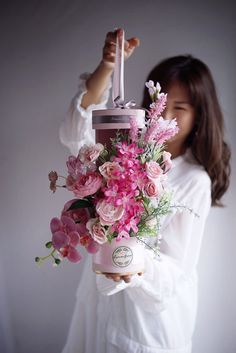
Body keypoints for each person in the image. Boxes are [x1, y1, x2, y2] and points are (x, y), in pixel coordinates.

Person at [59, 29, 231, 353]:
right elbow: (74, 133)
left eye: (179, 109)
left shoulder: (194, 181)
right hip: (100, 302)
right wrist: (108, 66)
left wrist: (128, 262)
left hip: (145, 321)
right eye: (160, 105)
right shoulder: (125, 148)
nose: (165, 118)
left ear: (199, 117)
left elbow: (176, 271)